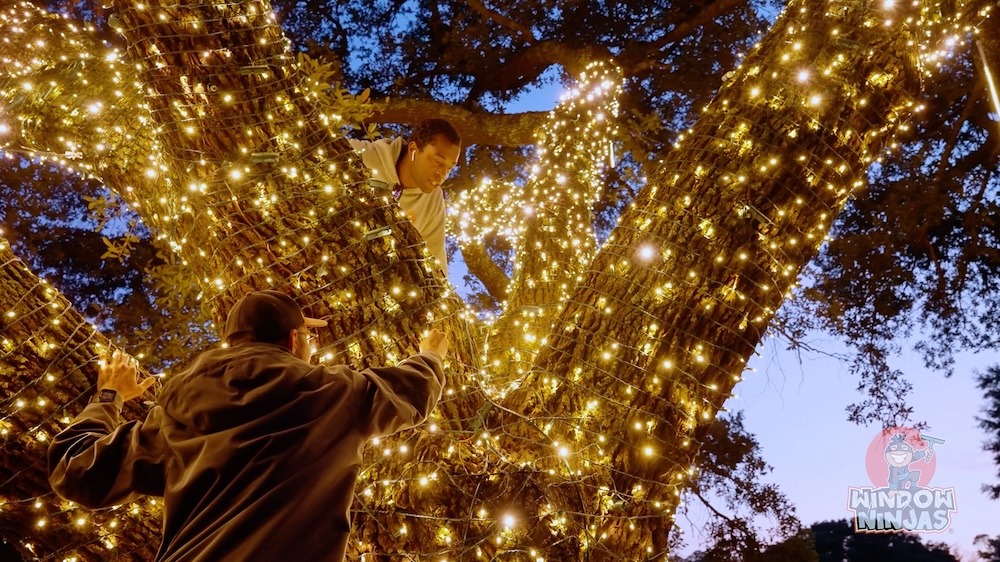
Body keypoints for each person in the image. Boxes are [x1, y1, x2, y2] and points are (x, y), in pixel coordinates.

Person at [48, 290, 448, 562]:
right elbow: (411, 390)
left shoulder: (174, 413)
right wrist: (430, 355)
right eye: (306, 339)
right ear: (294, 341)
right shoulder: (331, 394)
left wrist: (109, 397)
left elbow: (77, 471)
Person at [348, 118, 461, 278]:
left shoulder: (433, 201)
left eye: (449, 167)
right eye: (437, 161)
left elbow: (435, 257)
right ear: (413, 149)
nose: (442, 174)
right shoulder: (363, 155)